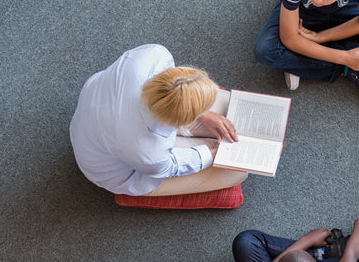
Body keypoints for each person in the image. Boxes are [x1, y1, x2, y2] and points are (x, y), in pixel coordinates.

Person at [69, 43, 247, 196]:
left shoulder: (154, 56)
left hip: (101, 111)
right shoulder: (148, 153)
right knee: (236, 174)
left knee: (228, 110)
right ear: (180, 121)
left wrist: (203, 113)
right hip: (121, 167)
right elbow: (170, 165)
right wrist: (212, 154)